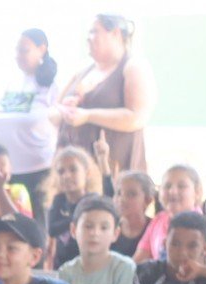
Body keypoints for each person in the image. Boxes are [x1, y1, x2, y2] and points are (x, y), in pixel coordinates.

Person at [54, 13, 157, 174]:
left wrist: (87, 115)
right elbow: (52, 113)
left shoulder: (133, 67)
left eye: (94, 31)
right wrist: (66, 110)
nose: (88, 38)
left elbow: (136, 117)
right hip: (74, 171)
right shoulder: (81, 70)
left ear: (115, 33)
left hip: (113, 169)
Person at [0, 29, 61, 217]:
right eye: (16, 50)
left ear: (42, 49)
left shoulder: (53, 86)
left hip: (39, 172)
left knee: (36, 232)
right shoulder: (10, 83)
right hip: (5, 173)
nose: (18, 56)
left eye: (24, 50)